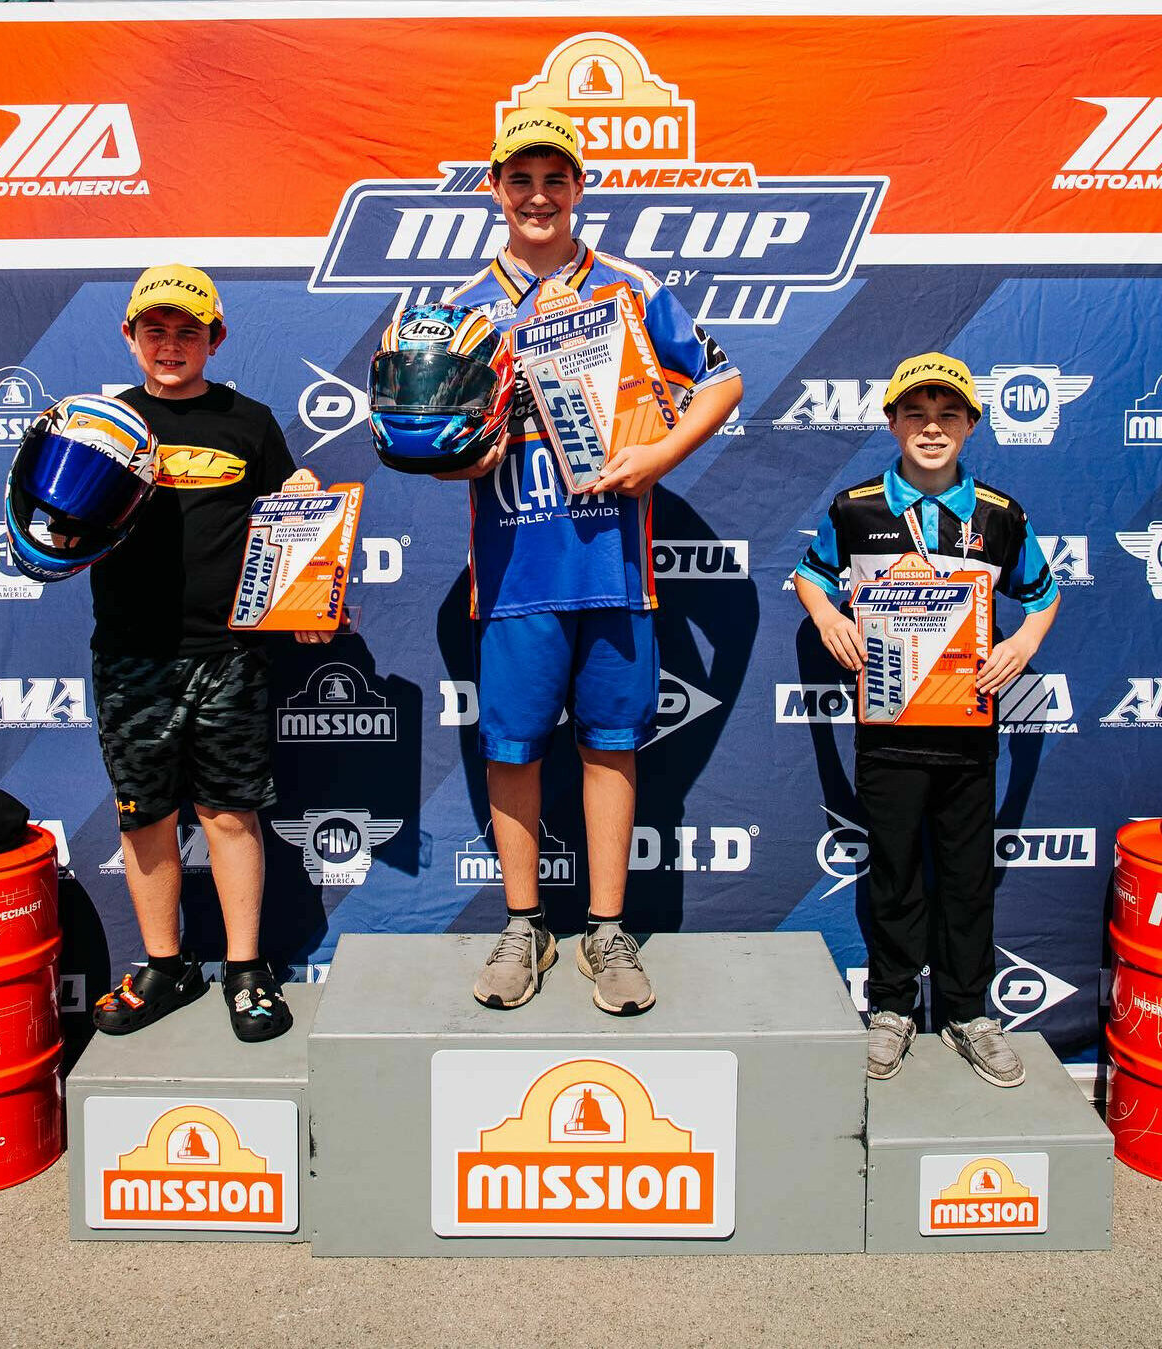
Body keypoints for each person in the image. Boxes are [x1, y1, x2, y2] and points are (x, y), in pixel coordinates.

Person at [441, 107, 743, 1015]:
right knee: (513, 751)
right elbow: (431, 435)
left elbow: (721, 380)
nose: (538, 195)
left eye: (555, 178)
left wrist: (660, 457)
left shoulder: (629, 288)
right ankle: (525, 921)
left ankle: (606, 928)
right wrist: (462, 453)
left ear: (579, 188)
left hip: (614, 569)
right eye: (519, 179)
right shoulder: (460, 308)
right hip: (515, 571)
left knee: (611, 747)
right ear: (494, 189)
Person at [793, 352, 1059, 1086]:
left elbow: (1042, 592)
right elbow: (809, 576)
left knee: (968, 877)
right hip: (886, 731)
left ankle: (968, 1012)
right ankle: (890, 1007)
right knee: (895, 872)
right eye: (916, 413)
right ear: (891, 422)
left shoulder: (1000, 515)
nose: (931, 428)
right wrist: (826, 619)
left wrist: (1022, 642)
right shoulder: (855, 508)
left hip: (968, 735)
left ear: (971, 425)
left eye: (948, 414)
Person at [88, 264, 328, 1042]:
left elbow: (292, 512)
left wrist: (311, 577)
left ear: (215, 339)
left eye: (188, 331)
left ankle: (247, 967)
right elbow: (50, 521)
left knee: (229, 811)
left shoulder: (249, 422)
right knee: (145, 814)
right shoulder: (100, 423)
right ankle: (165, 963)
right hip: (133, 652)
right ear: (128, 337)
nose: (170, 345)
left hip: (227, 653)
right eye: (153, 330)